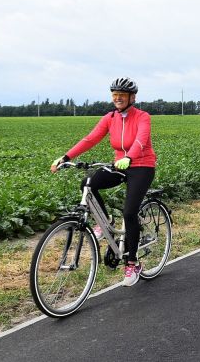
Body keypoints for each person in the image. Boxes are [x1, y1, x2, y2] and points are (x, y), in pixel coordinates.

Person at [50, 77, 156, 287]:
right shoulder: (110, 118)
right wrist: (66, 157)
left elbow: (140, 140)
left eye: (122, 95)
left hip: (142, 166)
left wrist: (130, 157)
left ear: (131, 97)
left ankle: (132, 263)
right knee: (88, 183)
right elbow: (90, 138)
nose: (117, 98)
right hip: (119, 165)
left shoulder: (143, 117)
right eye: (114, 95)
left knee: (129, 212)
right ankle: (105, 221)